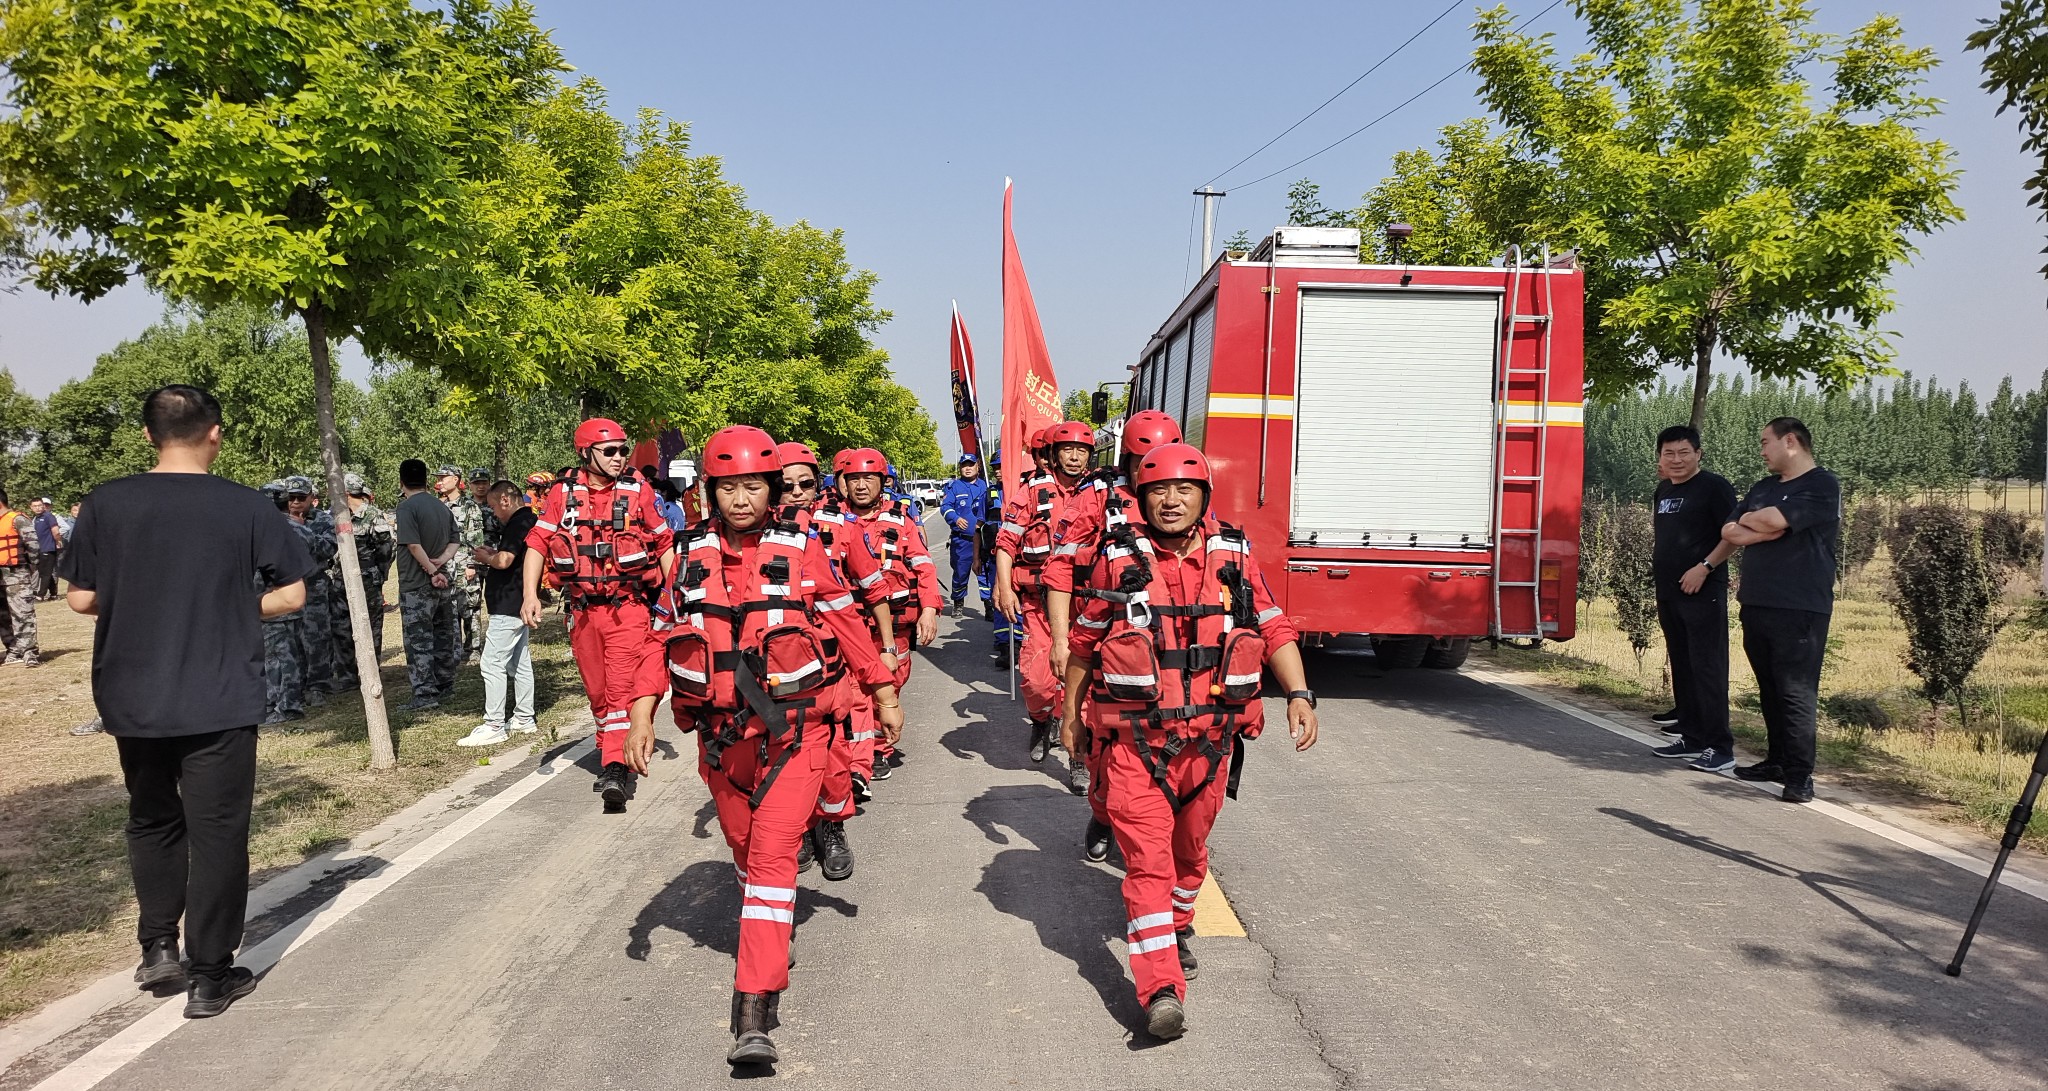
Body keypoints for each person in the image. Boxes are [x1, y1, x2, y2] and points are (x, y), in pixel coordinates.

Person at [635, 426, 902, 1067]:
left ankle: (754, 1009)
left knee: (774, 859)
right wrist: (640, 718)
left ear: (773, 489)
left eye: (753, 485)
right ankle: (771, 931)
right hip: (720, 742)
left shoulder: (803, 548)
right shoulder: (687, 555)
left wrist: (883, 692)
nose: (740, 499)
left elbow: (846, 623)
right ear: (710, 492)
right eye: (728, 487)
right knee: (746, 852)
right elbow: (659, 640)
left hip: (795, 736)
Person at [61, 385, 313, 1019]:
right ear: (215, 433)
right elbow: (291, 595)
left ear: (148, 435)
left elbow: (81, 599)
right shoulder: (245, 505)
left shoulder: (105, 503)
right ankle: (209, 976)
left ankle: (157, 948)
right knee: (218, 831)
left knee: (151, 818)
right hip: (219, 689)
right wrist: (230, 608)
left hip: (134, 691)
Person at [1059, 442, 1317, 1040]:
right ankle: (1160, 991)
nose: (1170, 501)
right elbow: (1084, 645)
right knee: (1147, 864)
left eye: (1183, 490)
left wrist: (1299, 693)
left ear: (1204, 497)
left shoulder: (1235, 555)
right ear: (1140, 497)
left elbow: (1272, 625)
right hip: (1136, 747)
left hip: (1211, 746)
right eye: (1157, 491)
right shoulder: (1115, 559)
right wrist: (1071, 716)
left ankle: (1178, 924)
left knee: (1189, 855)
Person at [1043, 409, 1185, 860]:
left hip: (1171, 646)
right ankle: (1103, 812)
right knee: (1106, 747)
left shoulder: (1186, 498)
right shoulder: (1097, 499)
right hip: (1108, 639)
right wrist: (1061, 640)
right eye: (1146, 464)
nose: (1161, 481)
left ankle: (1161, 840)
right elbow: (1061, 569)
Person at [522, 418, 674, 811]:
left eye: (623, 450)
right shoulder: (562, 493)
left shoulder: (638, 490)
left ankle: (615, 769)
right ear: (585, 453)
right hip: (583, 612)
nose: (619, 457)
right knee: (598, 694)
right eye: (610, 451)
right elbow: (538, 541)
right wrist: (529, 594)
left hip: (628, 609)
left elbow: (664, 543)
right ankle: (610, 746)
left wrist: (677, 596)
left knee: (622, 689)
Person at [786, 440, 900, 876]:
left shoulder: (840, 528)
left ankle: (833, 826)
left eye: (806, 484)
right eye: (787, 485)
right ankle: (800, 830)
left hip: (833, 655)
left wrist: (886, 649)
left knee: (833, 751)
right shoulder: (751, 537)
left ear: (820, 485)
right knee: (784, 756)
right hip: (776, 668)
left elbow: (872, 591)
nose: (797, 493)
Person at [1722, 417, 1841, 805]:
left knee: (1795, 691)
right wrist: (1764, 527)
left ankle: (1799, 774)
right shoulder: (1764, 488)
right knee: (1770, 688)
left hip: (1800, 606)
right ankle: (1776, 760)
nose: (1761, 451)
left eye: (1765, 442)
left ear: (1790, 441)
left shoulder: (1821, 484)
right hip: (1757, 601)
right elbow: (1729, 530)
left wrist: (1762, 522)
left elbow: (1772, 519)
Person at [832, 448, 939, 781]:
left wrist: (929, 609)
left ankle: (879, 746)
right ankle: (862, 756)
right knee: (854, 690)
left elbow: (923, 566)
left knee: (891, 683)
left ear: (883, 481)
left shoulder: (901, 519)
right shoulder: (831, 520)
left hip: (893, 625)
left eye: (868, 478)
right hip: (849, 625)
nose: (861, 486)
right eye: (853, 479)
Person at [994, 421, 1093, 766]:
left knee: (1081, 685)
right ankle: (1040, 721)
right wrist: (1004, 587)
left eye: (1082, 450)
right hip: (1038, 603)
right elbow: (1006, 543)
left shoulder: (1098, 493)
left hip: (1084, 606)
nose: (1075, 457)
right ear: (1053, 454)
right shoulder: (1032, 493)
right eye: (1068, 450)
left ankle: (1078, 761)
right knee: (1037, 683)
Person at [1646, 426, 1739, 773]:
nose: (1676, 459)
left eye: (1684, 452)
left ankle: (1720, 747)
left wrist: (1705, 567)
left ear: (1698, 454)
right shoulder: (1664, 489)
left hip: (1702, 591)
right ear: (1660, 457)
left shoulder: (1714, 487)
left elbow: (1733, 535)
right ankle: (1693, 737)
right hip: (1669, 591)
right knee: (1683, 664)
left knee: (1707, 667)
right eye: (1668, 453)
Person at [457, 481, 540, 747]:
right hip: (515, 601)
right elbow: (510, 556)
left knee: (492, 663)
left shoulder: (519, 522)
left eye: (493, 507)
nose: (493, 513)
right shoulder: (526, 520)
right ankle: (524, 717)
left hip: (509, 603)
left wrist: (487, 558)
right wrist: (495, 553)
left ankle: (494, 724)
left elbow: (505, 561)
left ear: (505, 500)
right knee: (519, 662)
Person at [394, 459, 461, 711]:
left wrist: (431, 570)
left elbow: (413, 545)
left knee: (418, 639)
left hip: (417, 583)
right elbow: (455, 540)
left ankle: (424, 694)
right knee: (443, 634)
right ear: (425, 480)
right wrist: (441, 561)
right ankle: (445, 685)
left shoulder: (406, 508)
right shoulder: (441, 507)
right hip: (441, 581)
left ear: (402, 482)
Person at [258, 481, 307, 726]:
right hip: (293, 600)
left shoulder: (267, 531)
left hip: (275, 602)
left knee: (280, 659)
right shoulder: (297, 528)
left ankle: (288, 707)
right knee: (289, 655)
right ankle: (279, 703)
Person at [343, 472, 397, 662]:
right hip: (342, 579)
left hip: (368, 578)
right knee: (343, 623)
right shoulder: (339, 515)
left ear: (346, 493)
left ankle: (372, 664)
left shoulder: (372, 515)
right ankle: (349, 668)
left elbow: (386, 548)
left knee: (372, 622)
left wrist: (379, 573)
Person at [439, 464, 485, 662]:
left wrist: (472, 564)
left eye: (443, 477)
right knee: (448, 608)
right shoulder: (439, 506)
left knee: (470, 607)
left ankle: (473, 648)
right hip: (445, 566)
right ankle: (453, 649)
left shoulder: (469, 506)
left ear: (455, 479)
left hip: (464, 563)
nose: (440, 481)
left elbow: (476, 537)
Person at [939, 453, 989, 615]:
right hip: (962, 541)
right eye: (964, 465)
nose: (967, 468)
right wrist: (955, 518)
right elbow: (945, 507)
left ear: (977, 466)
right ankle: (958, 602)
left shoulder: (986, 486)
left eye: (971, 465)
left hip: (983, 540)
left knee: (985, 573)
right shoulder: (954, 487)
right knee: (960, 573)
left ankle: (989, 606)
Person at [0, 485, 42, 668]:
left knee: (22, 613)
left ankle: (29, 652)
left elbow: (33, 546)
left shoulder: (17, 519)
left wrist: (31, 566)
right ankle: (13, 649)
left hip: (17, 574)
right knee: (3, 616)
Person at [31, 497, 63, 600]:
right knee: (45, 572)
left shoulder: (48, 516)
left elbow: (56, 531)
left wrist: (58, 542)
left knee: (45, 573)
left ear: (43, 506)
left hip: (48, 548)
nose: (38, 508)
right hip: (40, 549)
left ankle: (41, 595)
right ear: (31, 507)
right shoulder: (36, 518)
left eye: (39, 505)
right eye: (35, 506)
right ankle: (53, 594)